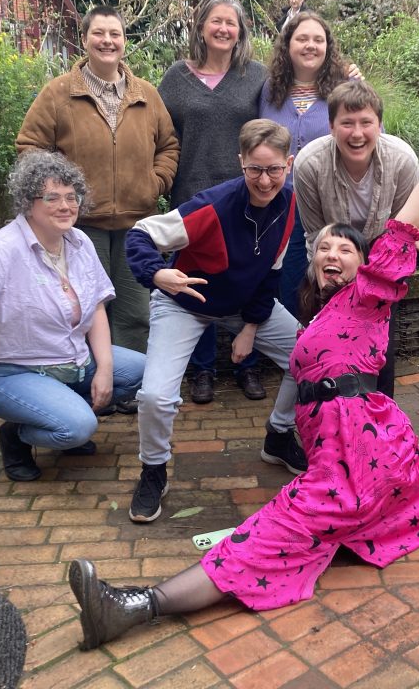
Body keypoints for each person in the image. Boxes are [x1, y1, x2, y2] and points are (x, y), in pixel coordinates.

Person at [66, 123, 419, 648]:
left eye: (346, 249)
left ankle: (134, 606)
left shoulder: (368, 297)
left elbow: (407, 220)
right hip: (362, 453)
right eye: (324, 248)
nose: (332, 254)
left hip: (357, 454)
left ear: (367, 264)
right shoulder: (318, 319)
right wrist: (249, 331)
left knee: (263, 538)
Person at [0, 151, 146, 481]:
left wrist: (105, 370)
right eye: (52, 197)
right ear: (28, 202)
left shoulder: (79, 242)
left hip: (72, 360)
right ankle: (18, 435)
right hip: (8, 372)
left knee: (145, 372)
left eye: (72, 196)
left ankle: (58, 411)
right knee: (78, 427)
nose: (65, 206)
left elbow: (96, 307)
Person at [123, 119, 307, 523]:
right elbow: (140, 234)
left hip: (242, 305)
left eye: (274, 169)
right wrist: (157, 273)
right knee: (155, 396)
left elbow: (271, 273)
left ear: (289, 164)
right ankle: (153, 469)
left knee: (311, 356)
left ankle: (279, 436)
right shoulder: (212, 205)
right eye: (255, 169)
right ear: (241, 162)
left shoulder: (289, 202)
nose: (264, 180)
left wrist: (251, 327)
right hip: (184, 302)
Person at [16, 6, 178, 357]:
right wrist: (58, 196)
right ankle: (90, 377)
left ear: (124, 41)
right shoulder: (58, 94)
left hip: (137, 225)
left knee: (136, 313)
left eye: (115, 34)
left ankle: (129, 378)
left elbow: (168, 145)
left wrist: (155, 182)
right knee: (84, 309)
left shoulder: (146, 94)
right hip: (80, 225)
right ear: (85, 39)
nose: (107, 41)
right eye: (99, 33)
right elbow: (30, 147)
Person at [157, 0, 269, 404]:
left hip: (246, 198)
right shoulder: (175, 78)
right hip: (193, 197)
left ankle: (247, 364)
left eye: (231, 23)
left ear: (240, 31)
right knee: (195, 281)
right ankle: (202, 369)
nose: (223, 29)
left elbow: (292, 108)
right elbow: (157, 134)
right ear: (201, 26)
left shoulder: (256, 77)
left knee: (247, 277)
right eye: (216, 21)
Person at [293, 80, 419, 398]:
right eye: (347, 123)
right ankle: (325, 416)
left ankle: (380, 416)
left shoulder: (402, 161)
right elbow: (316, 233)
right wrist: (333, 280)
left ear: (379, 125)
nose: (357, 133)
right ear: (331, 126)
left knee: (379, 347)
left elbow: (400, 232)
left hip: (381, 264)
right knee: (326, 348)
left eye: (366, 122)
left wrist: (371, 280)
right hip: (332, 261)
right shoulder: (309, 163)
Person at [259, 12, 349, 317]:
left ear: (327, 47)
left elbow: (373, 135)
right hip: (279, 204)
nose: (310, 45)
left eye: (318, 40)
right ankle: (293, 343)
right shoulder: (270, 90)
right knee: (288, 282)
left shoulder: (345, 86)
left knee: (330, 282)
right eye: (302, 38)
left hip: (330, 201)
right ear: (288, 45)